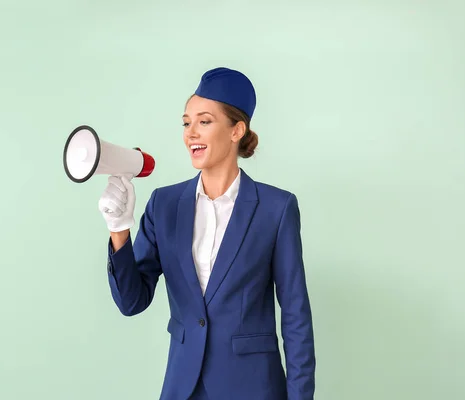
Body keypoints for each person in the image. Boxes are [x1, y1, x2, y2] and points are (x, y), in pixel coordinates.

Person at [98, 67, 316, 400]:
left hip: (253, 387)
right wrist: (119, 230)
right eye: (187, 123)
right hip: (183, 387)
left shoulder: (277, 208)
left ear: (236, 130)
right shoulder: (164, 204)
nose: (191, 134)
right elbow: (132, 301)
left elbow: (296, 315)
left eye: (204, 121)